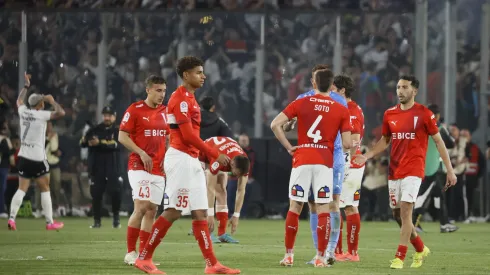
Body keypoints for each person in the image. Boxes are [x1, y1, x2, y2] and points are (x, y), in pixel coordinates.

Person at [135, 56, 240, 275]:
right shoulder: (180, 99)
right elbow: (188, 136)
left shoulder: (191, 99)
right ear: (186, 75)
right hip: (181, 158)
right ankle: (144, 257)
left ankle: (212, 264)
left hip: (192, 160)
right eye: (198, 72)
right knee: (173, 210)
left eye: (203, 72)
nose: (203, 76)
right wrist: (214, 153)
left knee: (200, 213)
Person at [353, 75, 457, 269]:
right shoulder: (389, 114)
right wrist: (367, 156)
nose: (400, 91)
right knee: (397, 215)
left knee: (407, 211)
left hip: (415, 169)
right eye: (399, 87)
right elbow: (385, 140)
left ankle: (399, 257)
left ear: (414, 91)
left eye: (405, 87)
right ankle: (419, 248)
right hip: (395, 170)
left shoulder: (425, 114)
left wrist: (450, 170)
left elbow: (439, 142)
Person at [270, 68, 352, 267]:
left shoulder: (301, 102)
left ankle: (289, 255)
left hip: (302, 158)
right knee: (325, 207)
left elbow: (275, 124)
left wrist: (289, 147)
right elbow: (348, 143)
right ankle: (321, 257)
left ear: (313, 83)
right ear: (332, 86)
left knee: (296, 206)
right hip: (325, 161)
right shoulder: (341, 108)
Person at [118, 75, 169, 265]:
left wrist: (168, 157)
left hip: (159, 169)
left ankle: (145, 255)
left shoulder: (166, 112)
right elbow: (122, 136)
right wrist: (141, 152)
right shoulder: (135, 109)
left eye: (164, 90)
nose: (162, 94)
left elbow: (169, 138)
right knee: (141, 207)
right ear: (148, 90)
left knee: (152, 211)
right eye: (158, 90)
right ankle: (130, 252)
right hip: (138, 166)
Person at [8, 72, 65, 231]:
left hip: (24, 157)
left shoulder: (23, 112)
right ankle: (49, 223)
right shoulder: (42, 115)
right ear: (40, 104)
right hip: (38, 158)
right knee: (45, 188)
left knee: (22, 189)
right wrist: (53, 101)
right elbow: (61, 113)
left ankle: (12, 219)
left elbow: (19, 101)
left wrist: (26, 86)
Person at [328, 75, 364, 262]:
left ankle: (349, 252)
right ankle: (341, 251)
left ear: (342, 90)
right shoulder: (341, 108)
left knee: (347, 206)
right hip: (342, 161)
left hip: (350, 163)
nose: (330, 91)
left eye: (333, 88)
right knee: (340, 206)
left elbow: (355, 141)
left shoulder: (351, 110)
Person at [412, 104, 458, 233]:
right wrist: (447, 130)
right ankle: (413, 222)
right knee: (423, 196)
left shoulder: (418, 127)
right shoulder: (437, 127)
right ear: (437, 116)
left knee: (439, 194)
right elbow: (450, 143)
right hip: (432, 168)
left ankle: (444, 223)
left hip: (422, 165)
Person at [201, 136, 250, 244]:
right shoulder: (220, 160)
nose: (237, 176)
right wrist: (210, 214)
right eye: (236, 174)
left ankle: (222, 233)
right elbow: (210, 188)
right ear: (231, 164)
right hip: (202, 155)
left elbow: (241, 190)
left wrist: (236, 215)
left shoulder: (243, 162)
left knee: (222, 190)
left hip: (223, 150)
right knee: (207, 189)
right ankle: (206, 231)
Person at [80, 106, 122, 229]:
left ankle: (116, 219)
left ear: (114, 117)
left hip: (112, 168)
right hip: (97, 168)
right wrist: (88, 140)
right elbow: (82, 143)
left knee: (115, 193)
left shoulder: (118, 131)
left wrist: (100, 143)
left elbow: (115, 144)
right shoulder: (94, 129)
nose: (107, 118)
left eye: (109, 115)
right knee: (96, 195)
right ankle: (97, 221)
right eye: (105, 115)